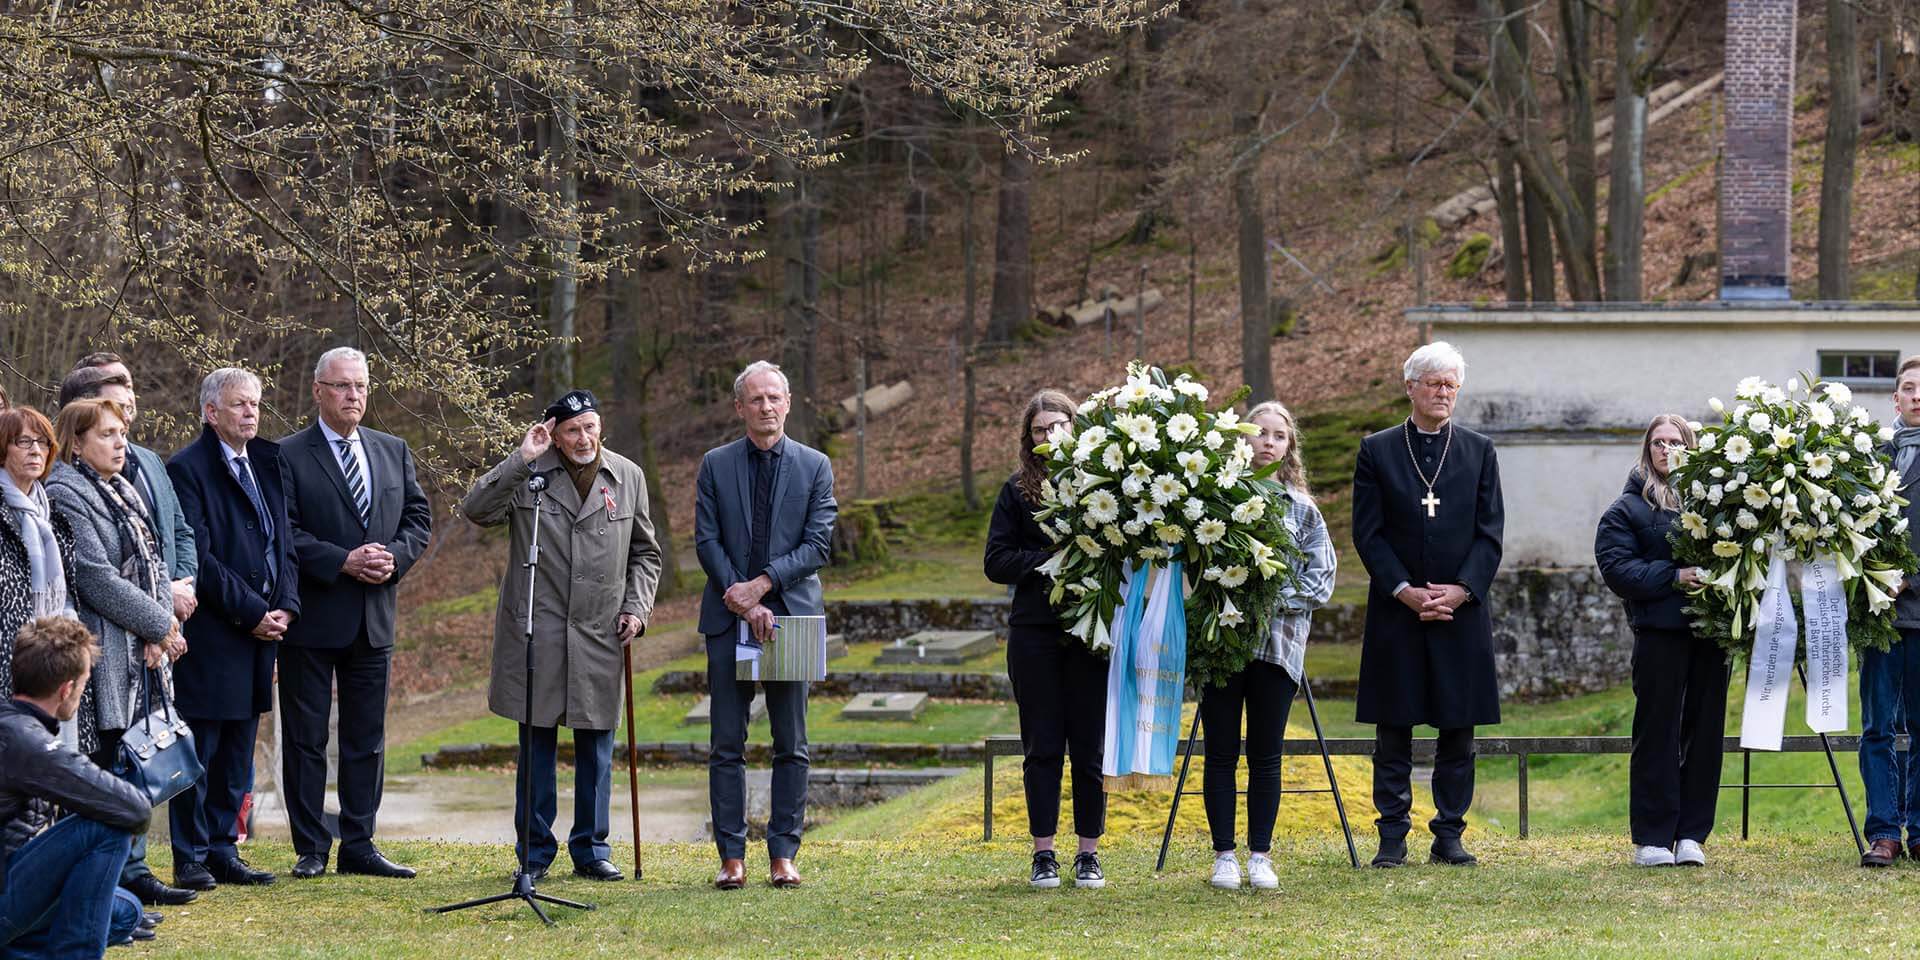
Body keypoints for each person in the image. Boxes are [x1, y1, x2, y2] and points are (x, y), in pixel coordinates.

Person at [462, 388, 661, 883]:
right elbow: (477, 508)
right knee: (537, 747)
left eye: (590, 427)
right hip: (540, 631)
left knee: (597, 746)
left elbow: (646, 554)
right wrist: (521, 456)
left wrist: (637, 608)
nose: (583, 437)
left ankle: (592, 849)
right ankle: (533, 853)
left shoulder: (627, 475)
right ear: (553, 433)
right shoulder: (529, 474)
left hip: (600, 632)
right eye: (572, 430)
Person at [281, 347, 432, 880]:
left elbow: (418, 517)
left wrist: (394, 560)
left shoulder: (392, 450)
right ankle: (312, 848)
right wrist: (341, 560)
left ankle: (360, 844)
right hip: (315, 617)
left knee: (366, 738)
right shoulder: (287, 455)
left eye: (362, 387)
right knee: (306, 737)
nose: (354, 396)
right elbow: (286, 534)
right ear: (319, 391)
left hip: (374, 615)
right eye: (343, 387)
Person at [1350, 341, 1504, 868]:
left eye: (1452, 385)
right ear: (1410, 386)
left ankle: (1449, 833)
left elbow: (1491, 534)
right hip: (1399, 610)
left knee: (1457, 728)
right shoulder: (1378, 450)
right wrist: (1405, 590)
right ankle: (1392, 835)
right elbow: (1367, 534)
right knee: (1393, 728)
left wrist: (1461, 590)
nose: (1444, 393)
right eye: (1435, 383)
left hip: (1461, 611)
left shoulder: (1480, 451)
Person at [58, 363, 203, 907]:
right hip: (105, 645)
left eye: (122, 434)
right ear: (77, 440)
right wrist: (161, 622)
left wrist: (160, 619)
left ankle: (131, 874)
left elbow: (154, 557)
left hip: (140, 642)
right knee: (108, 767)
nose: (123, 444)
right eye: (109, 435)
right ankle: (111, 885)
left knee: (134, 759)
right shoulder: (68, 489)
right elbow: (97, 577)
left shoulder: (122, 484)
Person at [695, 361, 836, 890]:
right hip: (727, 618)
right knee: (726, 743)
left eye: (774, 397)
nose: (766, 407)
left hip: (790, 617)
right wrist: (741, 597)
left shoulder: (815, 466)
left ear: (789, 402)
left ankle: (783, 853)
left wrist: (762, 587)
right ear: (739, 407)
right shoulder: (715, 464)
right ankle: (731, 856)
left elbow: (818, 544)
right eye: (755, 399)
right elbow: (706, 541)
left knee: (791, 743)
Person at [165, 368, 298, 891]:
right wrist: (252, 612)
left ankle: (224, 848)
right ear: (210, 411)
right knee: (201, 750)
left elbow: (284, 541)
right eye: (240, 404)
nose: (251, 412)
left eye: (257, 404)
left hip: (262, 635)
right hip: (216, 633)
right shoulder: (187, 468)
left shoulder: (267, 461)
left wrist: (286, 605)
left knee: (240, 748)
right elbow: (199, 555)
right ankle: (191, 854)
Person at [1202, 400, 1338, 889]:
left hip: (1277, 647)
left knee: (1265, 753)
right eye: (1259, 433)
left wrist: (1262, 595)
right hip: (1221, 643)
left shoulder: (1303, 509)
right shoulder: (1213, 499)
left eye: (1279, 436)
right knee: (1219, 751)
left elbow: (1320, 580)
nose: (1268, 442)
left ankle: (1260, 854)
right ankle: (1223, 855)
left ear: (1290, 446)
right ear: (1240, 439)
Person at [984, 389, 1108, 891]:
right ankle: (1044, 854)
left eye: (1059, 426)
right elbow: (995, 561)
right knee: (1042, 747)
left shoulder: (1103, 487)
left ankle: (1088, 855)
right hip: (1034, 632)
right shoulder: (1015, 491)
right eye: (1040, 429)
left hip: (1091, 632)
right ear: (1028, 437)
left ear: (1076, 429)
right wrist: (1048, 563)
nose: (1050, 436)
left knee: (1089, 748)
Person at [1595, 415, 1724, 868]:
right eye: (1658, 442)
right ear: (1646, 449)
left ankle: (1691, 834)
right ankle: (1652, 837)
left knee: (1705, 732)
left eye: (1676, 442)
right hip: (1659, 635)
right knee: (1658, 733)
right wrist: (1674, 576)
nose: (1666, 450)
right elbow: (1617, 570)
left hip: (1709, 634)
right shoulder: (1626, 509)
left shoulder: (1714, 503)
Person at [0, 616, 153, 958]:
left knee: (126, 910)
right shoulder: (27, 742)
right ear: (67, 689)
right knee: (109, 824)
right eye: (84, 685)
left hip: (11, 879)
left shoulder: (12, 724)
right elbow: (135, 809)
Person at [1862, 357, 1920, 868]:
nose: (1917, 395)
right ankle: (1884, 832)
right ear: (1894, 399)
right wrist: (1875, 580)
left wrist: (1910, 580)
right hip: (1878, 618)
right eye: (1908, 388)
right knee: (1877, 727)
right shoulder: (1868, 456)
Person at [2, 407, 73, 695]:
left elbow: (70, 594)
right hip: (9, 664)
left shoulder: (54, 516)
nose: (35, 450)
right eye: (23, 441)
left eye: (42, 442)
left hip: (52, 662)